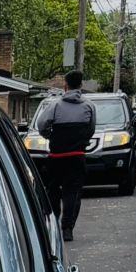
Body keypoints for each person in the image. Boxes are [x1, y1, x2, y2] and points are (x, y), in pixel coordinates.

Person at [35, 71, 95, 243]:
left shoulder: (55, 106)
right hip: (77, 157)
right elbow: (91, 129)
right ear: (80, 86)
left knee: (53, 191)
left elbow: (41, 125)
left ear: (65, 86)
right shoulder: (89, 106)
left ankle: (53, 223)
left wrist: (51, 136)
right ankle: (67, 228)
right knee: (72, 193)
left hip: (57, 156)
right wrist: (81, 140)